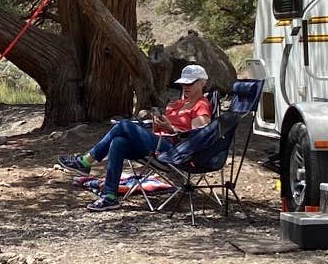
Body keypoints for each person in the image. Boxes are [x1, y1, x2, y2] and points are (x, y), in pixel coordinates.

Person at [57, 64, 216, 211]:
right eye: (183, 83)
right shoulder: (177, 104)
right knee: (118, 142)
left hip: (175, 151)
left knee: (123, 125)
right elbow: (160, 130)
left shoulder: (201, 105)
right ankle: (110, 197)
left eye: (190, 83)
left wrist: (170, 128)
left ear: (202, 83)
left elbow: (197, 138)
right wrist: (158, 125)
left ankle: (85, 162)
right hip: (157, 144)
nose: (185, 87)